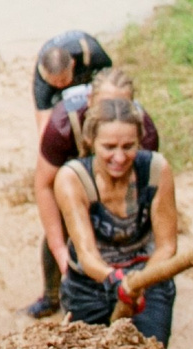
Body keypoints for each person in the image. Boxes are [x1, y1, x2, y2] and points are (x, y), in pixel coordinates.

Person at [28, 66, 161, 318]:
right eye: (104, 107)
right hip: (71, 187)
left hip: (117, 192)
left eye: (121, 107)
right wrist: (60, 251)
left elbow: (148, 190)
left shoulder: (145, 132)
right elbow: (44, 184)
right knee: (61, 236)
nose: (112, 117)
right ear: (89, 101)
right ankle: (51, 295)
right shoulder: (63, 125)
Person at [53, 93, 179, 345]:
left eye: (128, 147)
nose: (119, 158)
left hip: (147, 279)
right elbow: (87, 254)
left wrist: (139, 283)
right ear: (91, 141)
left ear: (140, 142)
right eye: (109, 147)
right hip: (90, 286)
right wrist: (115, 280)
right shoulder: (72, 178)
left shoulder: (157, 170)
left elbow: (167, 246)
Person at [32, 29, 113, 130]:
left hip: (86, 70)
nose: (59, 85)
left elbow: (112, 82)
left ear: (72, 64)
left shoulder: (92, 53)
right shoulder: (41, 75)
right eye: (54, 82)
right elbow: (43, 117)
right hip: (57, 92)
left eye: (63, 80)